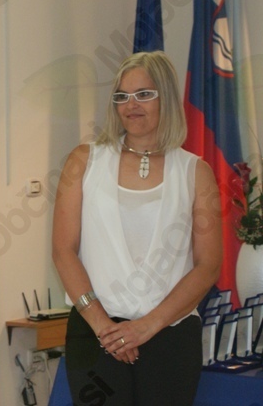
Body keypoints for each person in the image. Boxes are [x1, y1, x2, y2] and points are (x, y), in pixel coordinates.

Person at [52, 51, 222, 405]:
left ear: (167, 98)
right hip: (95, 333)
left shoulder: (196, 172)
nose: (131, 105)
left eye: (144, 94)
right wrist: (104, 327)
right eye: (122, 96)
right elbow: (63, 251)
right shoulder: (83, 161)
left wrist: (148, 325)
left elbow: (208, 265)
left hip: (170, 334)